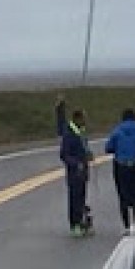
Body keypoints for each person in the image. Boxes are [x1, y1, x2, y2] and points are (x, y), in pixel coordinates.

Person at [55, 96, 93, 237]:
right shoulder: (69, 134)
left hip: (83, 172)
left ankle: (82, 222)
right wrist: (76, 164)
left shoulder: (80, 132)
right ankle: (74, 225)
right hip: (74, 173)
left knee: (81, 198)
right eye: (84, 118)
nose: (85, 121)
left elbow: (84, 149)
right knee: (74, 199)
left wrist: (88, 155)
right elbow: (64, 154)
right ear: (78, 118)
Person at [104, 108, 135, 234]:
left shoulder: (117, 130)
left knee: (123, 195)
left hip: (121, 166)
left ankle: (126, 226)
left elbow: (108, 148)